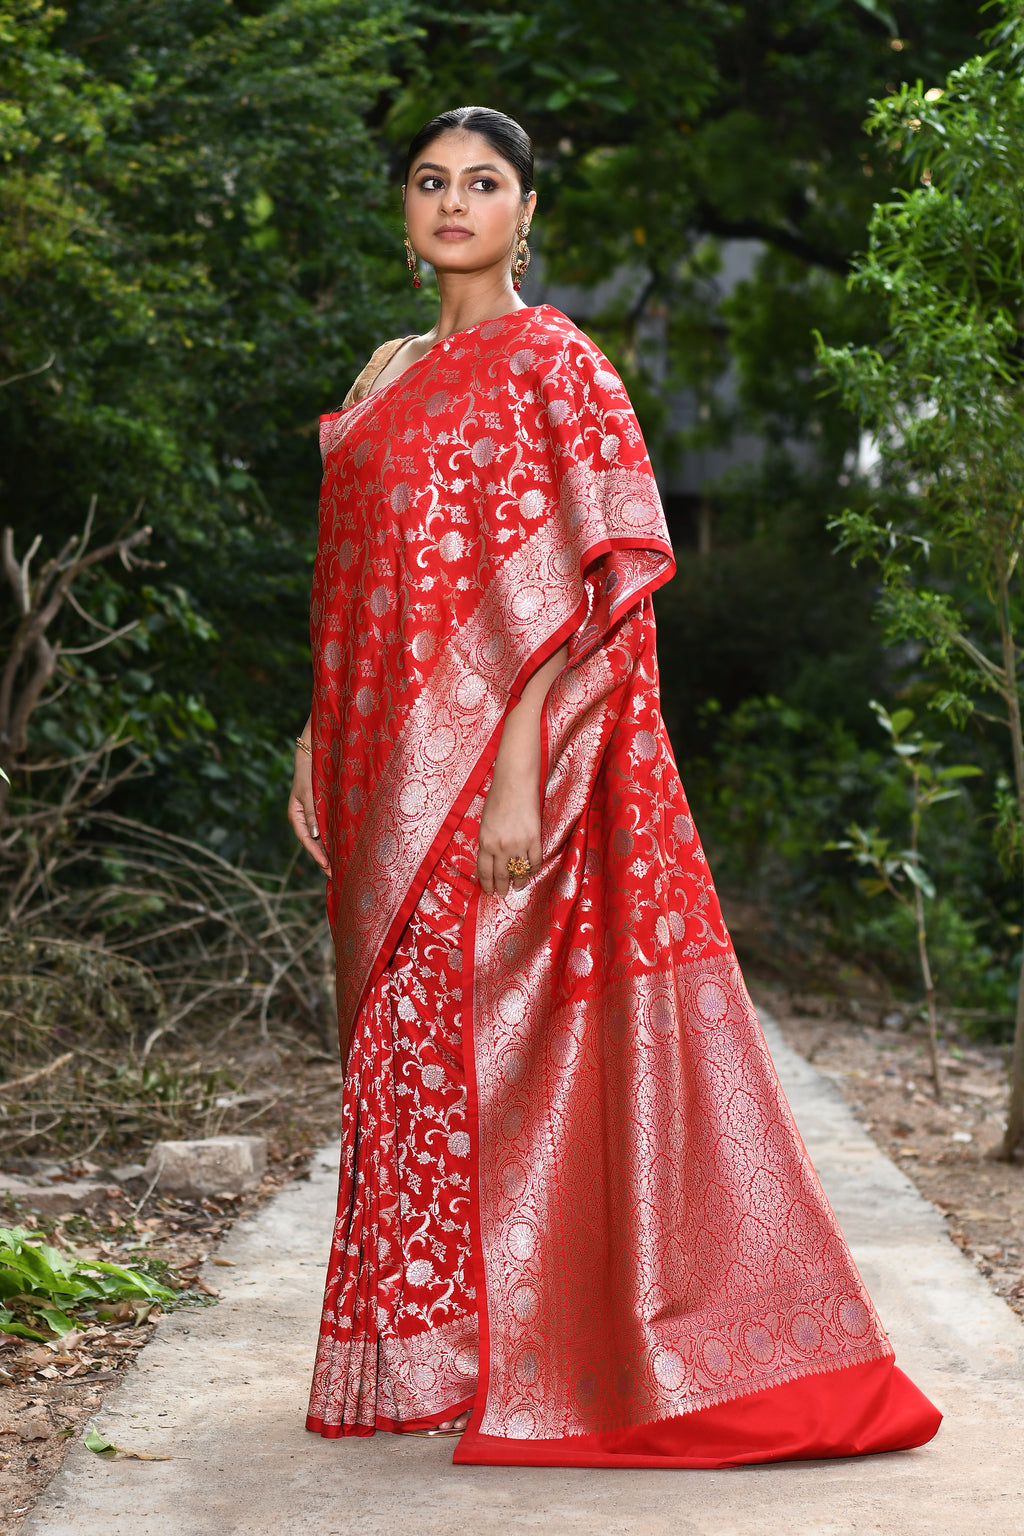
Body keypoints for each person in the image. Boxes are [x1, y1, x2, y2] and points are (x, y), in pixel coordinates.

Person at [288, 105, 941, 1466]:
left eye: (484, 183)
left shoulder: (555, 362)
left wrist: (520, 766)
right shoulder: (392, 362)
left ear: (529, 213)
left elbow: (580, 575)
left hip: (492, 767)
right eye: (429, 182)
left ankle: (571, 1347)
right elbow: (352, 579)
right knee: (403, 1061)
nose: (453, 202)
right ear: (405, 215)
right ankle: (434, 1353)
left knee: (504, 1050)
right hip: (373, 763)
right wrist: (311, 732)